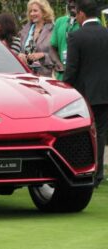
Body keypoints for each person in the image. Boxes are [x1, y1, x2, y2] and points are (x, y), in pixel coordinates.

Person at [64, 0, 108, 187]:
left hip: (84, 95)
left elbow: (72, 69)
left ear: (81, 14)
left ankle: (85, 172)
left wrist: (64, 89)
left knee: (83, 134)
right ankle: (98, 175)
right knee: (101, 133)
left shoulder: (76, 37)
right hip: (105, 93)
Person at [18, 0, 55, 77]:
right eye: (30, 11)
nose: (32, 14)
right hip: (26, 75)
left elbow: (59, 56)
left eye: (35, 11)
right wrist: (20, 55)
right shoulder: (25, 30)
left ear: (44, 12)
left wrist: (43, 55)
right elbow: (19, 50)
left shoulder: (53, 29)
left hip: (45, 76)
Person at [50, 0, 80, 80]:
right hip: (62, 76)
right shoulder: (60, 21)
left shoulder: (88, 22)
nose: (72, 4)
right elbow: (52, 47)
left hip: (81, 77)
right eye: (70, 1)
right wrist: (57, 62)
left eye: (75, 1)